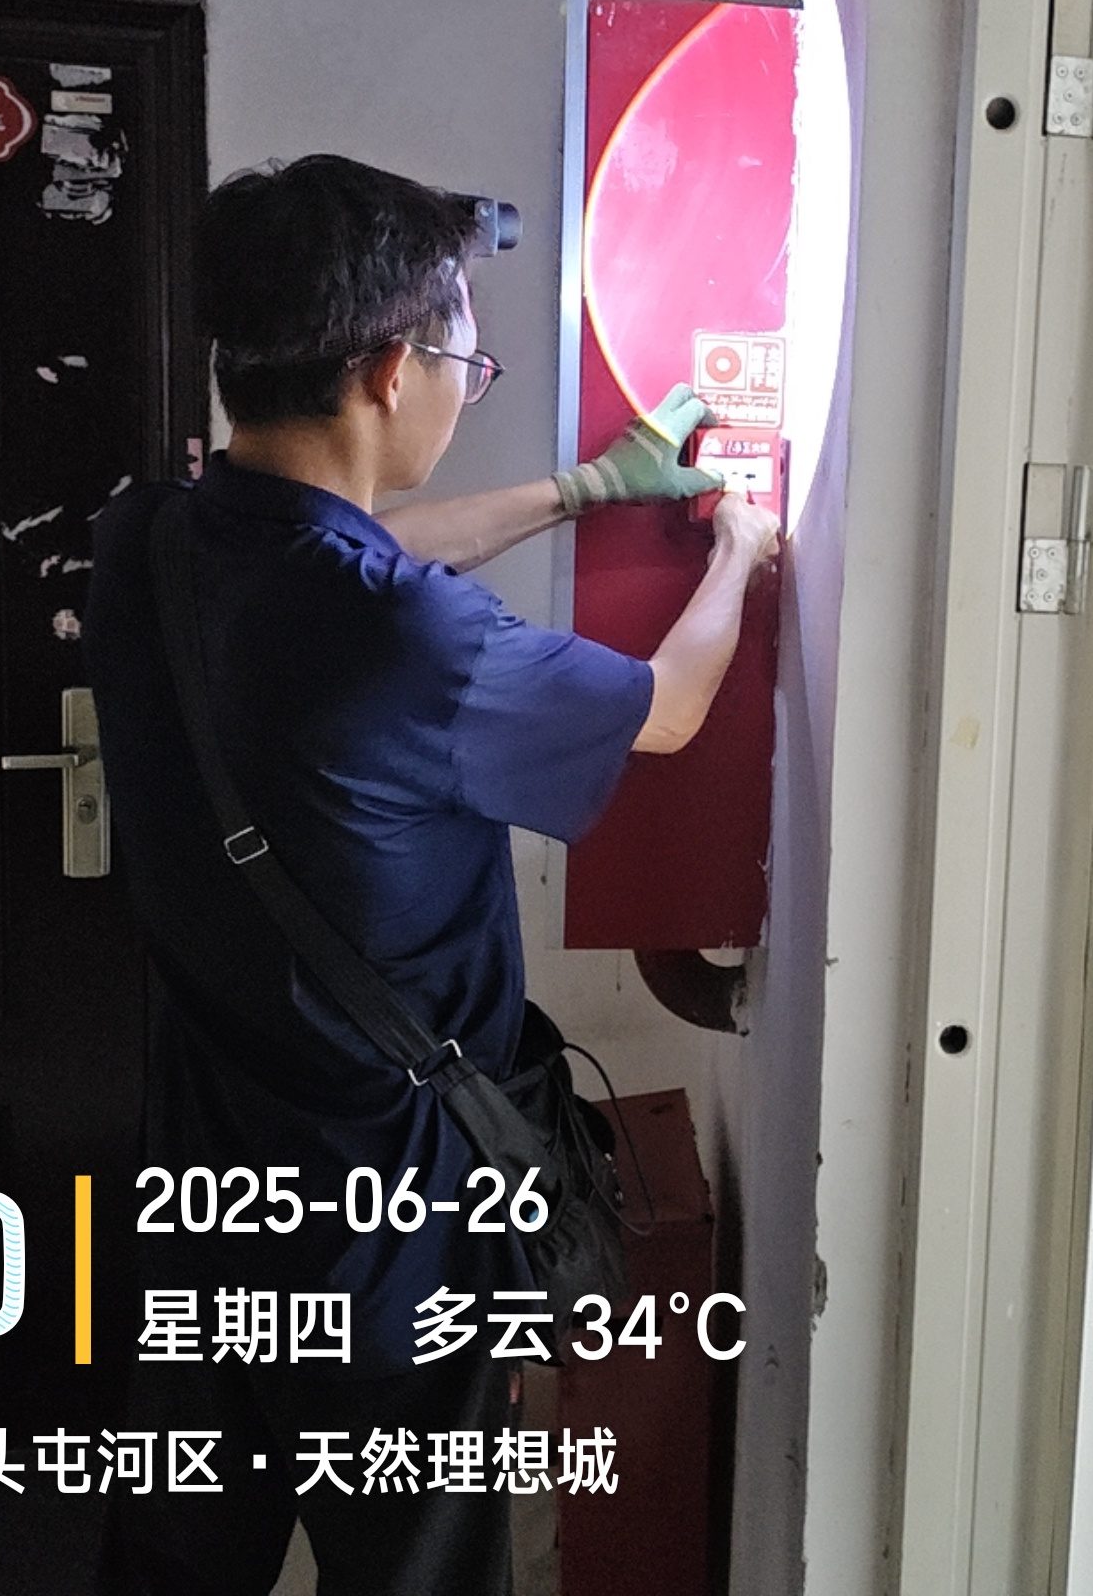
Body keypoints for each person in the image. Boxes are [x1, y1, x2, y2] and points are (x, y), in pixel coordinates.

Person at [83, 153, 779, 1594]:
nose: (465, 386)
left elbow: (351, 548)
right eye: (467, 358)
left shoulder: (145, 542)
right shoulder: (411, 642)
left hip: (198, 1203)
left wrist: (584, 489)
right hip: (388, 1244)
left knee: (174, 1563)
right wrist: (742, 557)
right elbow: (665, 710)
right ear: (392, 371)